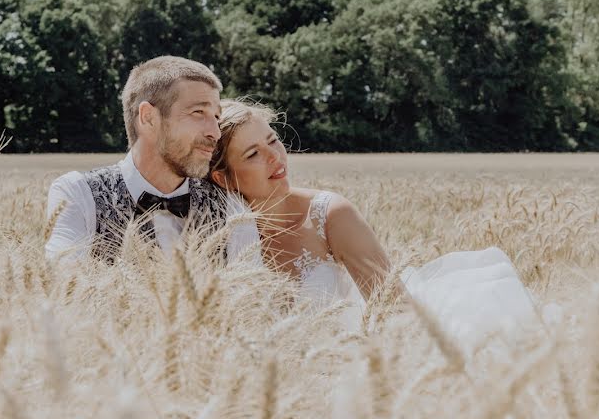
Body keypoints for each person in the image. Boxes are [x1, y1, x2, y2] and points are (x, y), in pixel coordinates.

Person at [208, 99, 538, 351]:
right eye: (252, 154)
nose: (275, 157)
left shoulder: (330, 215)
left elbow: (397, 314)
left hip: (354, 357)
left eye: (273, 140)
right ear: (222, 178)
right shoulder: (218, 237)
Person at [45, 56, 258, 262]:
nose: (215, 133)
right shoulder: (78, 195)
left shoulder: (231, 208)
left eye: (216, 117)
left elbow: (251, 295)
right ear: (148, 117)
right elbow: (65, 285)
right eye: (198, 112)